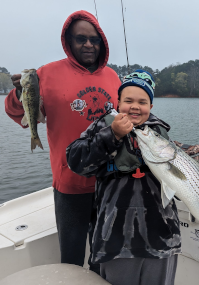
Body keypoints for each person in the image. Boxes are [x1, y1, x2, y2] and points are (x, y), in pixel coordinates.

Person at [5, 10, 121, 272]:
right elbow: (16, 112)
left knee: (106, 255)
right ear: (69, 41)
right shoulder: (45, 74)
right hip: (70, 183)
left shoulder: (113, 77)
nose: (89, 44)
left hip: (109, 182)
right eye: (81, 39)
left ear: (102, 41)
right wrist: (19, 93)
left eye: (94, 39)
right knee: (71, 258)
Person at [66, 69, 181, 285]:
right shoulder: (104, 125)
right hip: (115, 239)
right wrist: (113, 135)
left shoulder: (158, 131)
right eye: (128, 100)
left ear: (151, 107)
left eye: (143, 101)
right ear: (118, 102)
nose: (135, 106)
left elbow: (177, 178)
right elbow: (75, 160)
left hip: (161, 236)